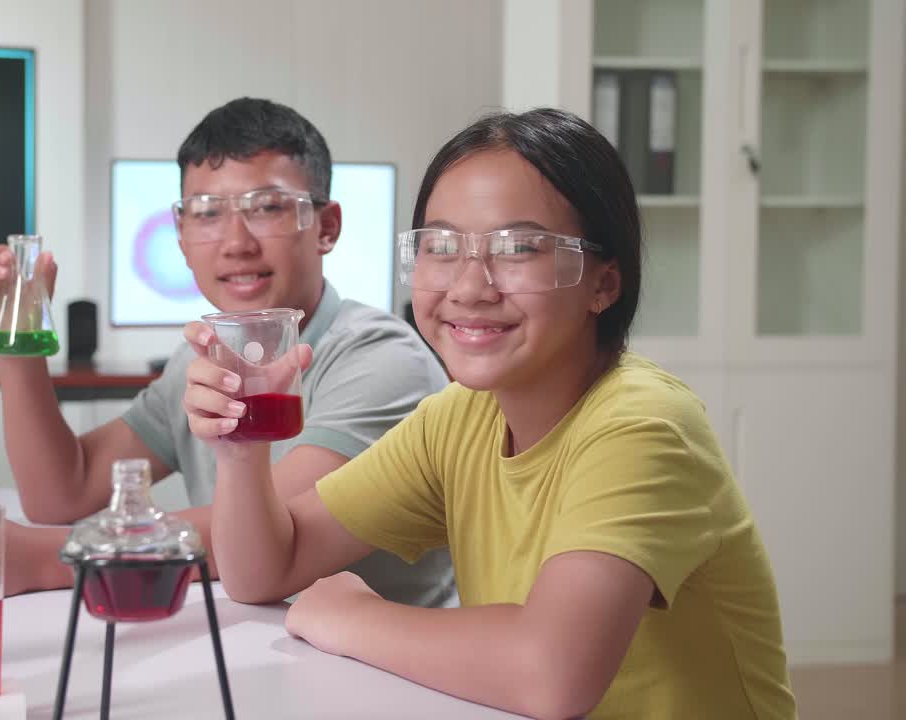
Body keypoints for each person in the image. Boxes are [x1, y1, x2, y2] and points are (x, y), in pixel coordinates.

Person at [185, 109, 796, 719]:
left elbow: (552, 673)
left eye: (519, 248)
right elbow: (264, 571)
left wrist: (353, 615)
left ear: (604, 283)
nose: (470, 287)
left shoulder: (642, 426)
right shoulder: (459, 418)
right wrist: (241, 447)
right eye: (442, 247)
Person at [0, 97, 454, 606]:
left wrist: (57, 557)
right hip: (263, 649)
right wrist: (16, 344)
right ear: (182, 235)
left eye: (268, 207)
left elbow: (280, 526)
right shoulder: (202, 359)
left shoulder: (381, 357)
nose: (235, 243)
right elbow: (63, 493)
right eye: (207, 213)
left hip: (380, 672)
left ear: (327, 227)